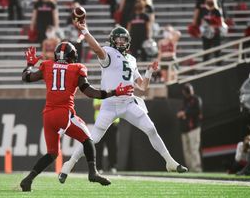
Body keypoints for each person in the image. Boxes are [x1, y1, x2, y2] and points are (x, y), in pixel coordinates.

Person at [58, 21, 188, 184]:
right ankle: (69, 165)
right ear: (112, 40)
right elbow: (97, 49)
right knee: (92, 139)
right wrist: (86, 31)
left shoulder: (132, 59)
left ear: (128, 41)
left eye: (123, 39)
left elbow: (142, 87)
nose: (121, 42)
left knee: (151, 129)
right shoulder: (108, 53)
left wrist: (148, 71)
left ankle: (169, 161)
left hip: (128, 103)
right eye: (118, 39)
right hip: (110, 104)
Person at [19, 42, 134, 191]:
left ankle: (28, 180)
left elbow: (26, 77)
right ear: (72, 56)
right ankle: (93, 173)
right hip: (64, 114)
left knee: (52, 153)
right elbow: (91, 92)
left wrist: (29, 64)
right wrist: (114, 92)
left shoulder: (47, 65)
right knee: (88, 139)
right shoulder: (76, 68)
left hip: (48, 115)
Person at [177, 83, 203, 172]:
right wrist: (183, 114)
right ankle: (190, 169)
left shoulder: (196, 99)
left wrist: (185, 113)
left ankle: (197, 169)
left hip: (194, 128)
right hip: (184, 129)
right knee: (186, 150)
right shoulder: (184, 101)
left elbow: (197, 111)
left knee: (194, 149)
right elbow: (179, 113)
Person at [93, 99, 119, 173]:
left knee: (112, 147)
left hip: (112, 124)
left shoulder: (116, 94)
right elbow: (96, 106)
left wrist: (105, 105)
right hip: (100, 123)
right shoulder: (99, 92)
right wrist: (108, 105)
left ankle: (112, 166)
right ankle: (98, 167)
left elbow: (119, 106)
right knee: (99, 146)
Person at [198, 0, 224, 65]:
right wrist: (203, 28)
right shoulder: (204, 10)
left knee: (217, 50)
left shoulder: (217, 10)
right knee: (206, 50)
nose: (208, 1)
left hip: (215, 33)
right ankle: (205, 65)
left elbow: (220, 22)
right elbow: (202, 20)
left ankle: (219, 64)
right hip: (206, 33)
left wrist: (213, 27)